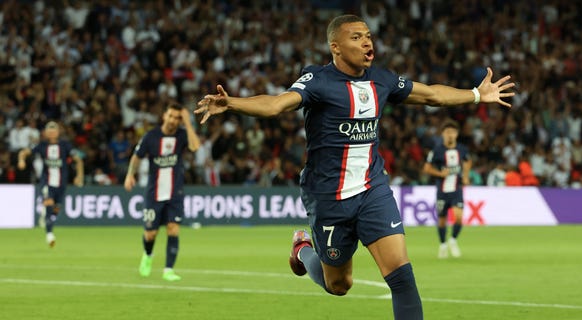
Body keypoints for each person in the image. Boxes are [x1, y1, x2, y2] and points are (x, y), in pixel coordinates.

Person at [195, 15, 514, 319]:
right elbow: (277, 103)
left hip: (372, 189)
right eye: (356, 37)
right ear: (335, 46)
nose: (366, 42)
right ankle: (304, 248)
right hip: (329, 196)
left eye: (368, 36)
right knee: (339, 285)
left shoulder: (382, 79)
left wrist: (475, 94)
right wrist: (233, 102)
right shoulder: (318, 80)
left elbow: (431, 95)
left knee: (401, 276)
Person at [124, 103, 201, 281]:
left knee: (173, 229)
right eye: (171, 116)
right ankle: (148, 255)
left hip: (175, 192)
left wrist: (188, 123)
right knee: (150, 234)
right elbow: (137, 156)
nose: (174, 120)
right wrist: (130, 175)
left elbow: (195, 147)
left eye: (177, 118)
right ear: (164, 116)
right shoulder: (151, 136)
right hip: (154, 193)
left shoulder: (182, 135)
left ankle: (168, 270)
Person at [17, 121, 84, 247]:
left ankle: (48, 220)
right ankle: (49, 234)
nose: (52, 133)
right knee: (49, 203)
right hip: (46, 182)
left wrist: (79, 176)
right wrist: (21, 160)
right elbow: (24, 152)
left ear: (58, 132)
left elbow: (78, 159)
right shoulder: (42, 146)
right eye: (49, 130)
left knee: (56, 210)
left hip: (61, 184)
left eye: (54, 130)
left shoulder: (65, 145)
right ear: (46, 133)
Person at [422, 119, 472, 259]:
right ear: (443, 134)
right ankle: (443, 244)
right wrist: (439, 174)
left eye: (453, 132)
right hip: (442, 191)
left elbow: (468, 161)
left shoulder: (461, 149)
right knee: (442, 220)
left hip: (456, 190)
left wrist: (466, 176)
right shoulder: (437, 151)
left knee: (459, 218)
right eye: (447, 132)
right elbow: (426, 168)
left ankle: (453, 240)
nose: (450, 135)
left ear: (457, 134)